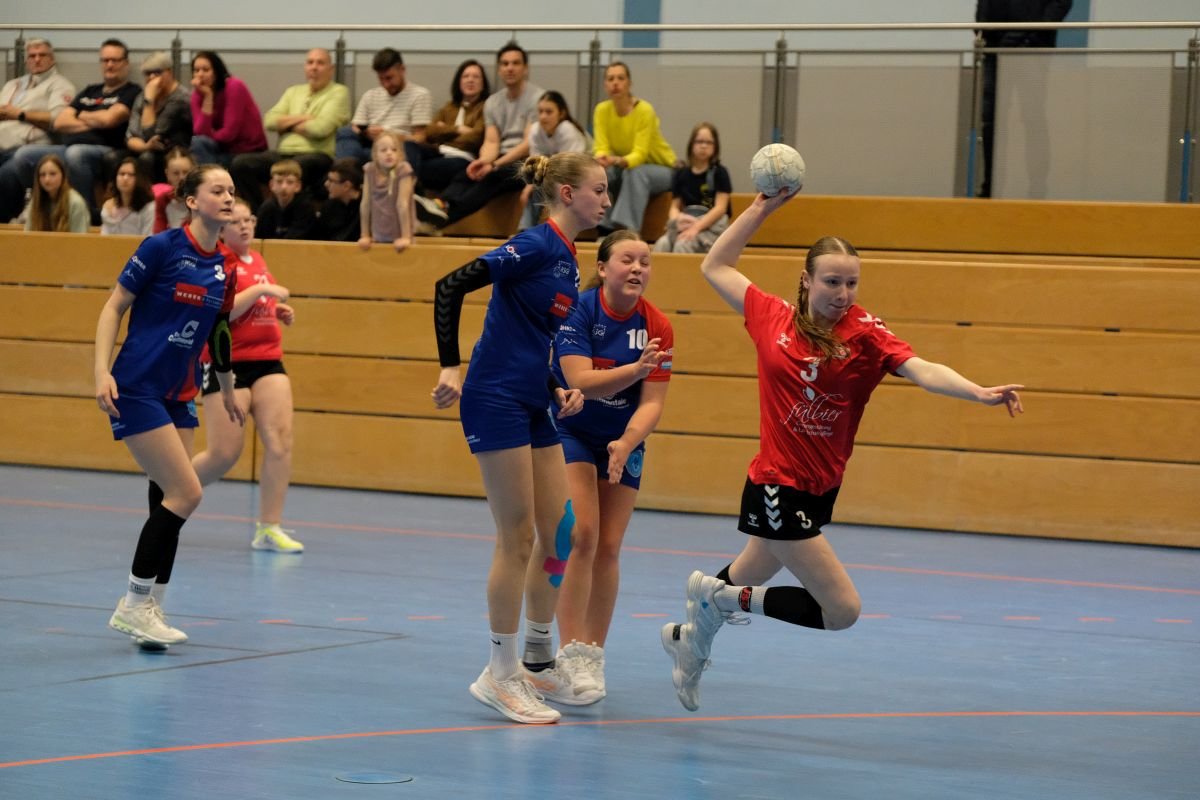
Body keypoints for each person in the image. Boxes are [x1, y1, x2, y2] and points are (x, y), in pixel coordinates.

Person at [659, 188, 1024, 712]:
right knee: (841, 610)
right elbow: (715, 265)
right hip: (776, 485)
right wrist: (762, 207)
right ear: (807, 280)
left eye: (851, 283)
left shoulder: (866, 334)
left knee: (748, 575)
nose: (843, 293)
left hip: (820, 488)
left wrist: (976, 392)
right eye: (832, 281)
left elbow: (922, 369)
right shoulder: (772, 317)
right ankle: (715, 597)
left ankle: (688, 639)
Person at [431, 151, 611, 724]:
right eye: (599, 189)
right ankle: (499, 672)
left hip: (534, 399)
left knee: (561, 531)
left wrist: (558, 386)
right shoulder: (534, 244)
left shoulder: (569, 257)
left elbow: (536, 336)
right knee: (515, 537)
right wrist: (450, 366)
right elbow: (449, 286)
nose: (607, 200)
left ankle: (535, 659)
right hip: (496, 397)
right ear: (566, 193)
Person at [95, 164, 244, 649]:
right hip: (137, 386)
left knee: (165, 498)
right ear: (192, 200)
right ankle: (133, 603)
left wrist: (227, 386)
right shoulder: (161, 247)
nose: (228, 197)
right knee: (187, 492)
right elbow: (114, 306)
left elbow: (219, 330)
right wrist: (101, 372)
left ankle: (151, 607)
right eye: (217, 190)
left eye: (232, 191)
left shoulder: (226, 265)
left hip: (181, 393)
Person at [550, 230, 673, 698]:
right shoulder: (578, 311)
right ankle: (567, 653)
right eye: (627, 259)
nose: (638, 268)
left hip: (623, 438)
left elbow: (652, 402)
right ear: (603, 268)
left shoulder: (658, 325)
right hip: (572, 429)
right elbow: (581, 379)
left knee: (609, 545)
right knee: (582, 534)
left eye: (645, 261)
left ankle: (592, 656)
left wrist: (627, 441)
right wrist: (636, 370)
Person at [192, 198, 303, 554]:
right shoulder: (217, 262)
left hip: (268, 360)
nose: (244, 226)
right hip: (227, 364)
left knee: (280, 441)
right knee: (224, 454)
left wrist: (276, 310)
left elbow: (253, 306)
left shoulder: (256, 259)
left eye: (249, 219)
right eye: (236, 221)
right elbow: (222, 312)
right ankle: (170, 489)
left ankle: (269, 528)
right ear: (221, 229)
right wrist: (262, 291)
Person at [5, 39, 140, 225]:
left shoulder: (131, 91)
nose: (109, 65)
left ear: (126, 63)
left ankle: (84, 216)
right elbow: (61, 121)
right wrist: (96, 120)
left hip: (105, 149)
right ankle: (43, 207)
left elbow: (110, 119)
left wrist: (80, 114)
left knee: (76, 154)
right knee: (24, 155)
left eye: (115, 60)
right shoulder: (90, 90)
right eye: (105, 60)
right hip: (69, 146)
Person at [414, 42, 540, 230]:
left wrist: (495, 165)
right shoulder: (493, 102)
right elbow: (491, 142)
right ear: (499, 69)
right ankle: (440, 205)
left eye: (515, 63)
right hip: (500, 160)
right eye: (505, 64)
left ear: (525, 68)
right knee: (470, 171)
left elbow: (528, 144)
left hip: (528, 163)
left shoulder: (538, 98)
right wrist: (483, 162)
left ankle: (440, 220)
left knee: (492, 176)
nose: (510, 68)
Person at [230, 48, 350, 211]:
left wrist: (287, 124)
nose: (314, 67)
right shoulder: (293, 91)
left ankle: (286, 215)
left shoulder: (339, 92)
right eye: (310, 62)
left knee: (293, 168)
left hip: (317, 155)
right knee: (240, 164)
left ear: (331, 69)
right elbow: (270, 120)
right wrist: (306, 117)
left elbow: (320, 128)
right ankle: (258, 213)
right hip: (283, 153)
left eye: (320, 63)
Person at [975, 0, 1073, 198]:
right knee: (991, 121)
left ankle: (1037, 191)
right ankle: (990, 189)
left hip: (1031, 49)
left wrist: (1032, 33)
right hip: (995, 48)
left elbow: (1061, 3)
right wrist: (981, 27)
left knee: (1033, 119)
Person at [592, 62, 676, 235]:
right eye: (610, 79)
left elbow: (640, 154)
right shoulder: (601, 110)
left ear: (629, 83)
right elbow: (601, 147)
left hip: (663, 169)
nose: (615, 83)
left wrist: (615, 160)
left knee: (636, 173)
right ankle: (604, 228)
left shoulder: (644, 110)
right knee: (601, 173)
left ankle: (628, 231)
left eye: (620, 78)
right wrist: (602, 159)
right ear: (605, 85)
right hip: (626, 167)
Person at [0, 38, 77, 222]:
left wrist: (20, 114)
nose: (37, 59)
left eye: (42, 55)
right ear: (26, 60)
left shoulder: (60, 85)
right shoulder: (12, 85)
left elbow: (58, 120)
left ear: (52, 59)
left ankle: (5, 227)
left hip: (29, 149)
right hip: (2, 145)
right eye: (32, 56)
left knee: (4, 176)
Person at [406, 59, 489, 196]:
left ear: (483, 84)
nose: (470, 80)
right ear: (459, 81)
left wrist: (443, 132)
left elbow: (475, 138)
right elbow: (429, 132)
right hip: (438, 152)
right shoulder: (449, 106)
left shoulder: (486, 107)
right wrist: (458, 129)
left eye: (476, 77)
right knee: (409, 145)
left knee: (413, 167)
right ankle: (411, 186)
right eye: (466, 76)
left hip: (462, 158)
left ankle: (409, 189)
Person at [336, 48, 432, 164]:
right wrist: (365, 132)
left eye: (389, 78)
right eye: (381, 79)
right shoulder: (370, 95)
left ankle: (349, 169)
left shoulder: (419, 95)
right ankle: (346, 169)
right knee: (345, 132)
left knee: (408, 148)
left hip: (397, 148)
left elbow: (420, 138)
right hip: (371, 146)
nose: (386, 84)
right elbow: (356, 128)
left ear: (402, 70)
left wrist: (388, 135)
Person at [653, 122, 731, 254]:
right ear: (691, 144)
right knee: (662, 243)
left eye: (709, 142)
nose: (704, 146)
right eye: (699, 141)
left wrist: (697, 227)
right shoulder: (681, 173)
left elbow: (720, 208)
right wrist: (678, 220)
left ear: (715, 146)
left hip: (710, 227)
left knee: (683, 244)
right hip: (686, 222)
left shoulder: (719, 172)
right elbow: (674, 207)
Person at [188, 50, 268, 178]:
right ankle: (210, 182)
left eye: (206, 70)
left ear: (216, 72)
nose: (200, 75)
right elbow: (199, 132)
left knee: (204, 155)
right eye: (196, 70)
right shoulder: (197, 95)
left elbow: (229, 134)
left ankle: (211, 182)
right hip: (222, 148)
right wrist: (208, 97)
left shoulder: (234, 86)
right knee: (197, 142)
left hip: (247, 149)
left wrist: (210, 135)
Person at [518, 91, 588, 230]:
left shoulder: (567, 130)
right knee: (534, 185)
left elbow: (570, 168)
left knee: (546, 185)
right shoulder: (535, 130)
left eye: (549, 112)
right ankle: (525, 230)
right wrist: (528, 187)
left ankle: (534, 230)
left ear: (561, 113)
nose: (543, 116)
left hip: (580, 173)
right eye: (540, 111)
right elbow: (535, 166)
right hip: (554, 174)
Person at [124, 52, 192, 183]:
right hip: (145, 148)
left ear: (169, 72)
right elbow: (130, 136)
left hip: (172, 151)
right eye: (148, 74)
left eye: (157, 72)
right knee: (114, 158)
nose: (152, 77)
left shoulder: (181, 98)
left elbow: (152, 134)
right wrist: (145, 146)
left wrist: (149, 101)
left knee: (147, 158)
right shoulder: (141, 96)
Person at [358, 131, 414, 252]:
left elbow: (402, 204)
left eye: (394, 150)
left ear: (400, 154)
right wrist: (365, 235)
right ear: (375, 154)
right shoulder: (370, 170)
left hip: (399, 233)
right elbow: (365, 204)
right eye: (383, 150)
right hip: (378, 234)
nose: (389, 153)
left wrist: (406, 237)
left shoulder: (403, 169)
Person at [23, 152, 89, 232]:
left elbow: (80, 237)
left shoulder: (76, 202)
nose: (47, 179)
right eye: (42, 175)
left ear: (63, 176)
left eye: (53, 174)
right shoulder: (35, 201)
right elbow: (28, 235)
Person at [255, 159, 316, 240]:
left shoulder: (305, 208)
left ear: (298, 186)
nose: (284, 187)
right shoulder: (266, 208)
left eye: (290, 182)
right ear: (271, 185)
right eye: (279, 181)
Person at [100, 156, 154, 235]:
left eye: (131, 175)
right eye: (122, 174)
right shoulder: (108, 207)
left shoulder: (149, 208)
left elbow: (148, 239)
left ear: (140, 178)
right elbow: (104, 238)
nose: (125, 178)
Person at [315, 157, 363, 242]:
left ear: (346, 186)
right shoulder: (329, 206)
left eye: (331, 181)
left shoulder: (368, 207)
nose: (326, 184)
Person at [152, 147, 196, 233]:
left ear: (193, 172)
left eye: (185, 172)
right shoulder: (162, 200)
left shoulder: (201, 199)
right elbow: (158, 233)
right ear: (167, 174)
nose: (181, 177)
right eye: (176, 173)